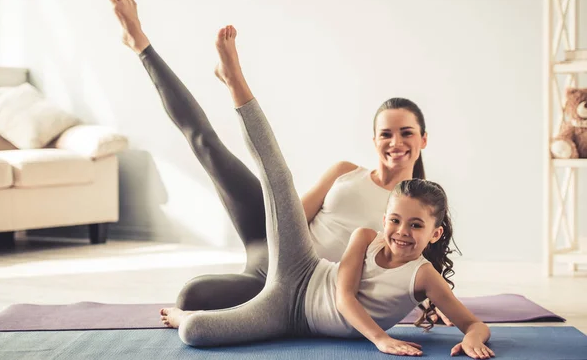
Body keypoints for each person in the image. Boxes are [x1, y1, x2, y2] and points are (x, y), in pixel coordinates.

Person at [141, 21, 492, 359]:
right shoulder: (362, 222)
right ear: (385, 216)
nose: (402, 231)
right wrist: (381, 339)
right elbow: (334, 281)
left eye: (415, 225)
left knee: (193, 328)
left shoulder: (422, 256)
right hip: (296, 262)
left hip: (288, 311)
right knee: (271, 174)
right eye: (386, 133)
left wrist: (469, 331)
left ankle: (184, 315)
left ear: (434, 231)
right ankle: (231, 79)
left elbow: (468, 320)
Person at [107, 0, 453, 325]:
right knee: (207, 145)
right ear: (374, 139)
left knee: (191, 298)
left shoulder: (418, 211)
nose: (396, 142)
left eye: (406, 133)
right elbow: (292, 213)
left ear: (423, 139)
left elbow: (414, 273)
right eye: (386, 134)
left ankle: (230, 79)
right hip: (273, 235)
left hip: (291, 283)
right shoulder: (346, 171)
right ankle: (140, 42)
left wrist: (435, 306)